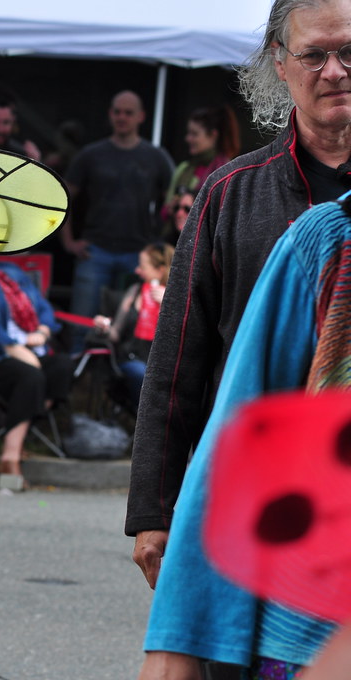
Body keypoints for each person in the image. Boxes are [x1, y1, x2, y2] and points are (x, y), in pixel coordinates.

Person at [129, 0, 351, 677]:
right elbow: (178, 364)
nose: (336, 71)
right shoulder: (231, 193)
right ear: (279, 64)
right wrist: (153, 511)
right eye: (315, 55)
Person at [59, 90, 175, 354]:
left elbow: (175, 202)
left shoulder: (155, 157)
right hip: (95, 251)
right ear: (110, 114)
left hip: (138, 256)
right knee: (82, 325)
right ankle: (74, 385)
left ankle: (122, 382)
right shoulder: (91, 155)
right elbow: (63, 196)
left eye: (128, 112)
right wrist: (69, 242)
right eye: (117, 111)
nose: (122, 117)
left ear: (141, 117)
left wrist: (159, 244)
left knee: (136, 330)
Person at [0, 260, 72, 490]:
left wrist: (43, 331)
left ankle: (19, 433)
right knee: (30, 376)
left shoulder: (13, 273)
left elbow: (44, 308)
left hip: (34, 345)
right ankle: (10, 457)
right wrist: (14, 349)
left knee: (62, 366)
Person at [92, 242, 174, 411]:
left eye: (142, 266)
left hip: (163, 362)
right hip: (131, 358)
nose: (137, 270)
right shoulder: (135, 291)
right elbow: (115, 333)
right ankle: (150, 419)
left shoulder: (177, 297)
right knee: (146, 376)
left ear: (160, 270)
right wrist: (104, 328)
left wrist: (172, 304)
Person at [161, 106, 241, 224]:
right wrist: (174, 208)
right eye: (188, 133)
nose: (188, 138)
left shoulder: (227, 172)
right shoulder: (184, 168)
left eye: (194, 134)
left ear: (213, 135)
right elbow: (163, 214)